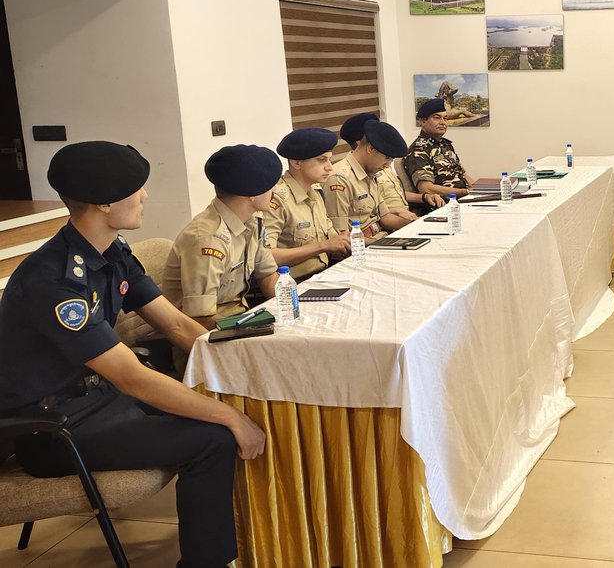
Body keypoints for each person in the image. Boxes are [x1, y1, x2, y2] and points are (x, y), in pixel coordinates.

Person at [0, 141, 266, 568]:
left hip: (102, 401)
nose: (145, 196)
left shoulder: (112, 252)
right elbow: (132, 378)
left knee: (234, 406)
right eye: (136, 189)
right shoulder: (53, 281)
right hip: (54, 428)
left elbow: (176, 325)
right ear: (104, 202)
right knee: (214, 436)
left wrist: (243, 370)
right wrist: (231, 418)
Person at [162, 145, 281, 330]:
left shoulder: (252, 221)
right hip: (209, 333)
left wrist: (291, 310)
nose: (275, 189)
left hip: (240, 319)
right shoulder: (208, 238)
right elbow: (200, 317)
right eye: (270, 185)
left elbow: (268, 276)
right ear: (252, 192)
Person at [262, 128, 351, 280]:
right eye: (322, 160)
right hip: (295, 282)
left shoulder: (315, 190)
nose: (329, 167)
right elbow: (267, 258)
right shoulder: (277, 200)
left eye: (329, 160)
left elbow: (329, 234)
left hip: (326, 272)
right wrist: (323, 246)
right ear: (296, 163)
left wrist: (344, 242)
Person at [324, 118, 412, 241]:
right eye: (387, 158)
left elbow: (385, 218)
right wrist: (377, 244)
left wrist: (418, 223)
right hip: (361, 245)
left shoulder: (371, 173)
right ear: (370, 149)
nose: (388, 165)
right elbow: (341, 236)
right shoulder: (340, 180)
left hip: (379, 236)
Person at [340, 112, 442, 215]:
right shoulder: (362, 171)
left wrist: (424, 197)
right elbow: (368, 212)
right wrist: (395, 213)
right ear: (363, 143)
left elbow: (397, 194)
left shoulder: (384, 162)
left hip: (406, 214)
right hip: (390, 220)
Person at [404, 98, 475, 198]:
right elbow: (426, 188)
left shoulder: (446, 145)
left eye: (445, 118)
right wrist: (465, 192)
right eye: (437, 118)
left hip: (464, 197)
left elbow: (462, 174)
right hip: (445, 202)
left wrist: (478, 190)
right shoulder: (419, 150)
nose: (443, 122)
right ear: (423, 121)